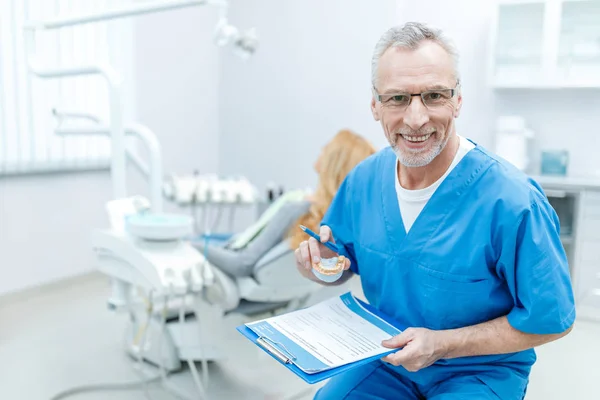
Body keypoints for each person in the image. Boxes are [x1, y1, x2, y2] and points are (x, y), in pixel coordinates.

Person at [295, 22, 575, 400]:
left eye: (434, 95)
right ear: (375, 105)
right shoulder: (364, 181)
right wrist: (320, 265)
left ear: (458, 100)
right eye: (397, 99)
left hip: (480, 371)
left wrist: (443, 344)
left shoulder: (512, 201)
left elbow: (552, 320)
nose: (415, 119)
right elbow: (340, 264)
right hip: (388, 361)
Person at [196, 129, 376, 278]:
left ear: (333, 163)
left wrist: (191, 246)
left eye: (326, 148)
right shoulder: (342, 223)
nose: (321, 148)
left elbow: (243, 263)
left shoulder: (297, 208)